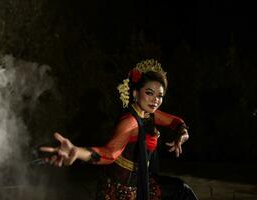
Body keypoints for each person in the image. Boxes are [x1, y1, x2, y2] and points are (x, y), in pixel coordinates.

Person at [40, 59, 198, 200]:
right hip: (123, 190)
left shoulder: (149, 114)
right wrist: (77, 152)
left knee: (180, 190)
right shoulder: (131, 122)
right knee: (180, 191)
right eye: (150, 93)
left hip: (142, 181)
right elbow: (109, 154)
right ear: (135, 93)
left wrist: (182, 134)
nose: (156, 100)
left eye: (160, 96)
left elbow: (177, 122)